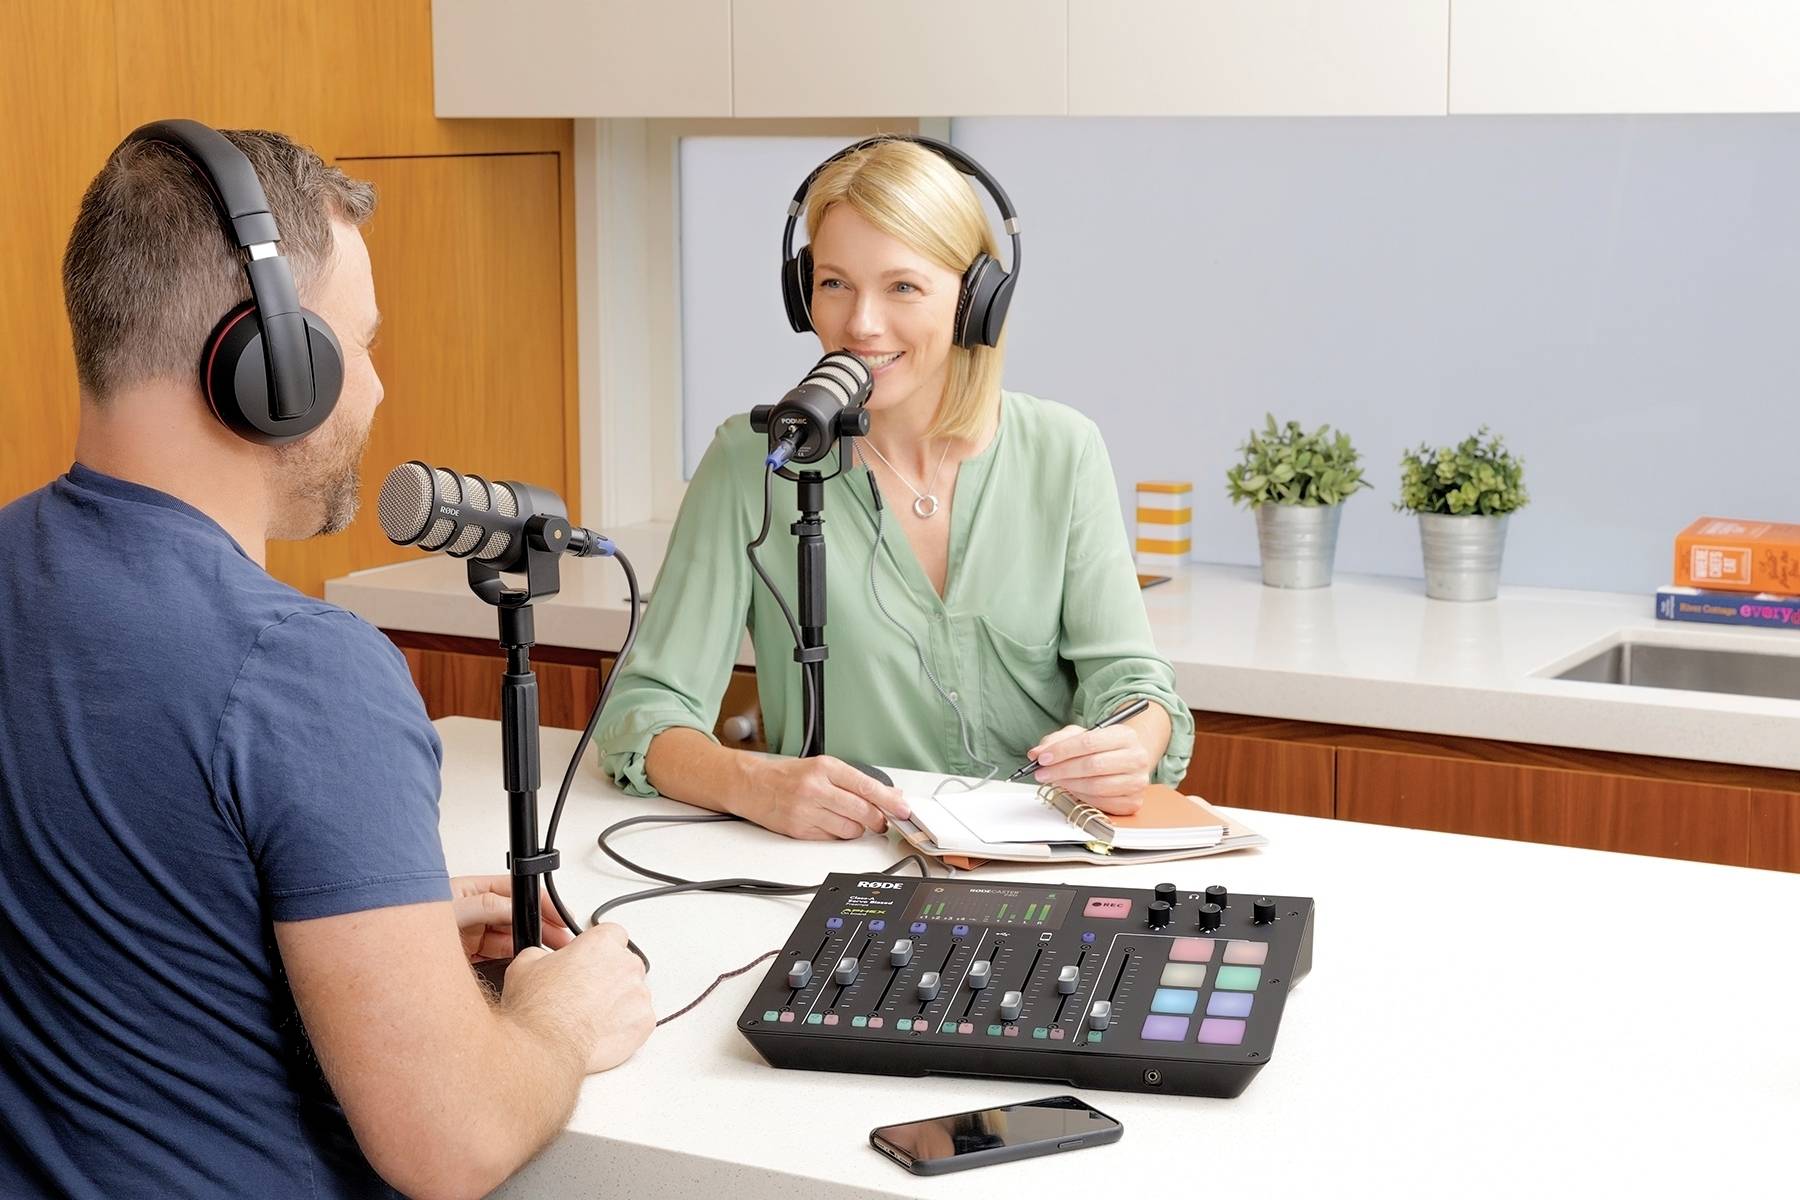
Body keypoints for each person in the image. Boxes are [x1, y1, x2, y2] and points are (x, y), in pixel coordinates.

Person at [0, 124, 654, 1200]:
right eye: (360, 345)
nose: (378, 393)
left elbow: (103, 909)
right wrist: (562, 1015)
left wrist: (364, 924)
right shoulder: (302, 669)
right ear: (273, 368)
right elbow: (455, 1143)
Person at [596, 136, 1194, 840]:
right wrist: (750, 781)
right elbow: (643, 713)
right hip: (838, 872)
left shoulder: (1063, 451)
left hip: (1046, 863)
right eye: (834, 282)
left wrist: (1132, 745)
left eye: (903, 286)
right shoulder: (753, 461)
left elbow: (1133, 687)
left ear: (975, 302)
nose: (860, 324)